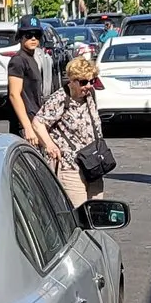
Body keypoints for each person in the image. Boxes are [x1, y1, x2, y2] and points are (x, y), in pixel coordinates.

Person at [31, 54, 105, 206]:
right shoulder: (60, 98)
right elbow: (38, 123)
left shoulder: (90, 94)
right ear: (72, 81)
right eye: (84, 82)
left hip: (94, 164)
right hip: (71, 166)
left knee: (97, 210)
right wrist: (50, 145)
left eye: (92, 81)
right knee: (79, 211)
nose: (88, 85)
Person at [6, 18, 49, 131]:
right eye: (28, 35)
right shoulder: (18, 60)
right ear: (20, 37)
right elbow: (14, 95)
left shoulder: (31, 58)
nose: (33, 38)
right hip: (24, 126)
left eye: (37, 35)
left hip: (35, 120)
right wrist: (27, 127)